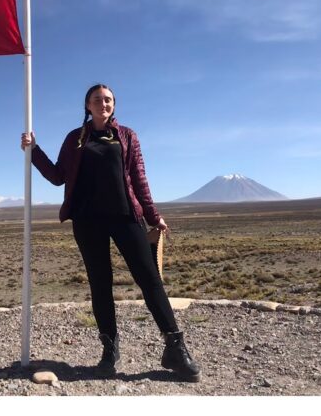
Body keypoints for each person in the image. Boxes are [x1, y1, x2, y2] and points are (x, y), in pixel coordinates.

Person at [20, 83, 200, 381]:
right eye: (97, 99)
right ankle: (109, 350)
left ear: (114, 105)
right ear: (87, 106)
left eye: (108, 100)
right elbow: (57, 177)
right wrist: (34, 150)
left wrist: (154, 217)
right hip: (87, 221)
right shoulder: (75, 138)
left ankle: (176, 347)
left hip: (126, 218)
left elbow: (140, 181)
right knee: (100, 284)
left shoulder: (127, 136)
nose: (103, 103)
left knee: (150, 280)